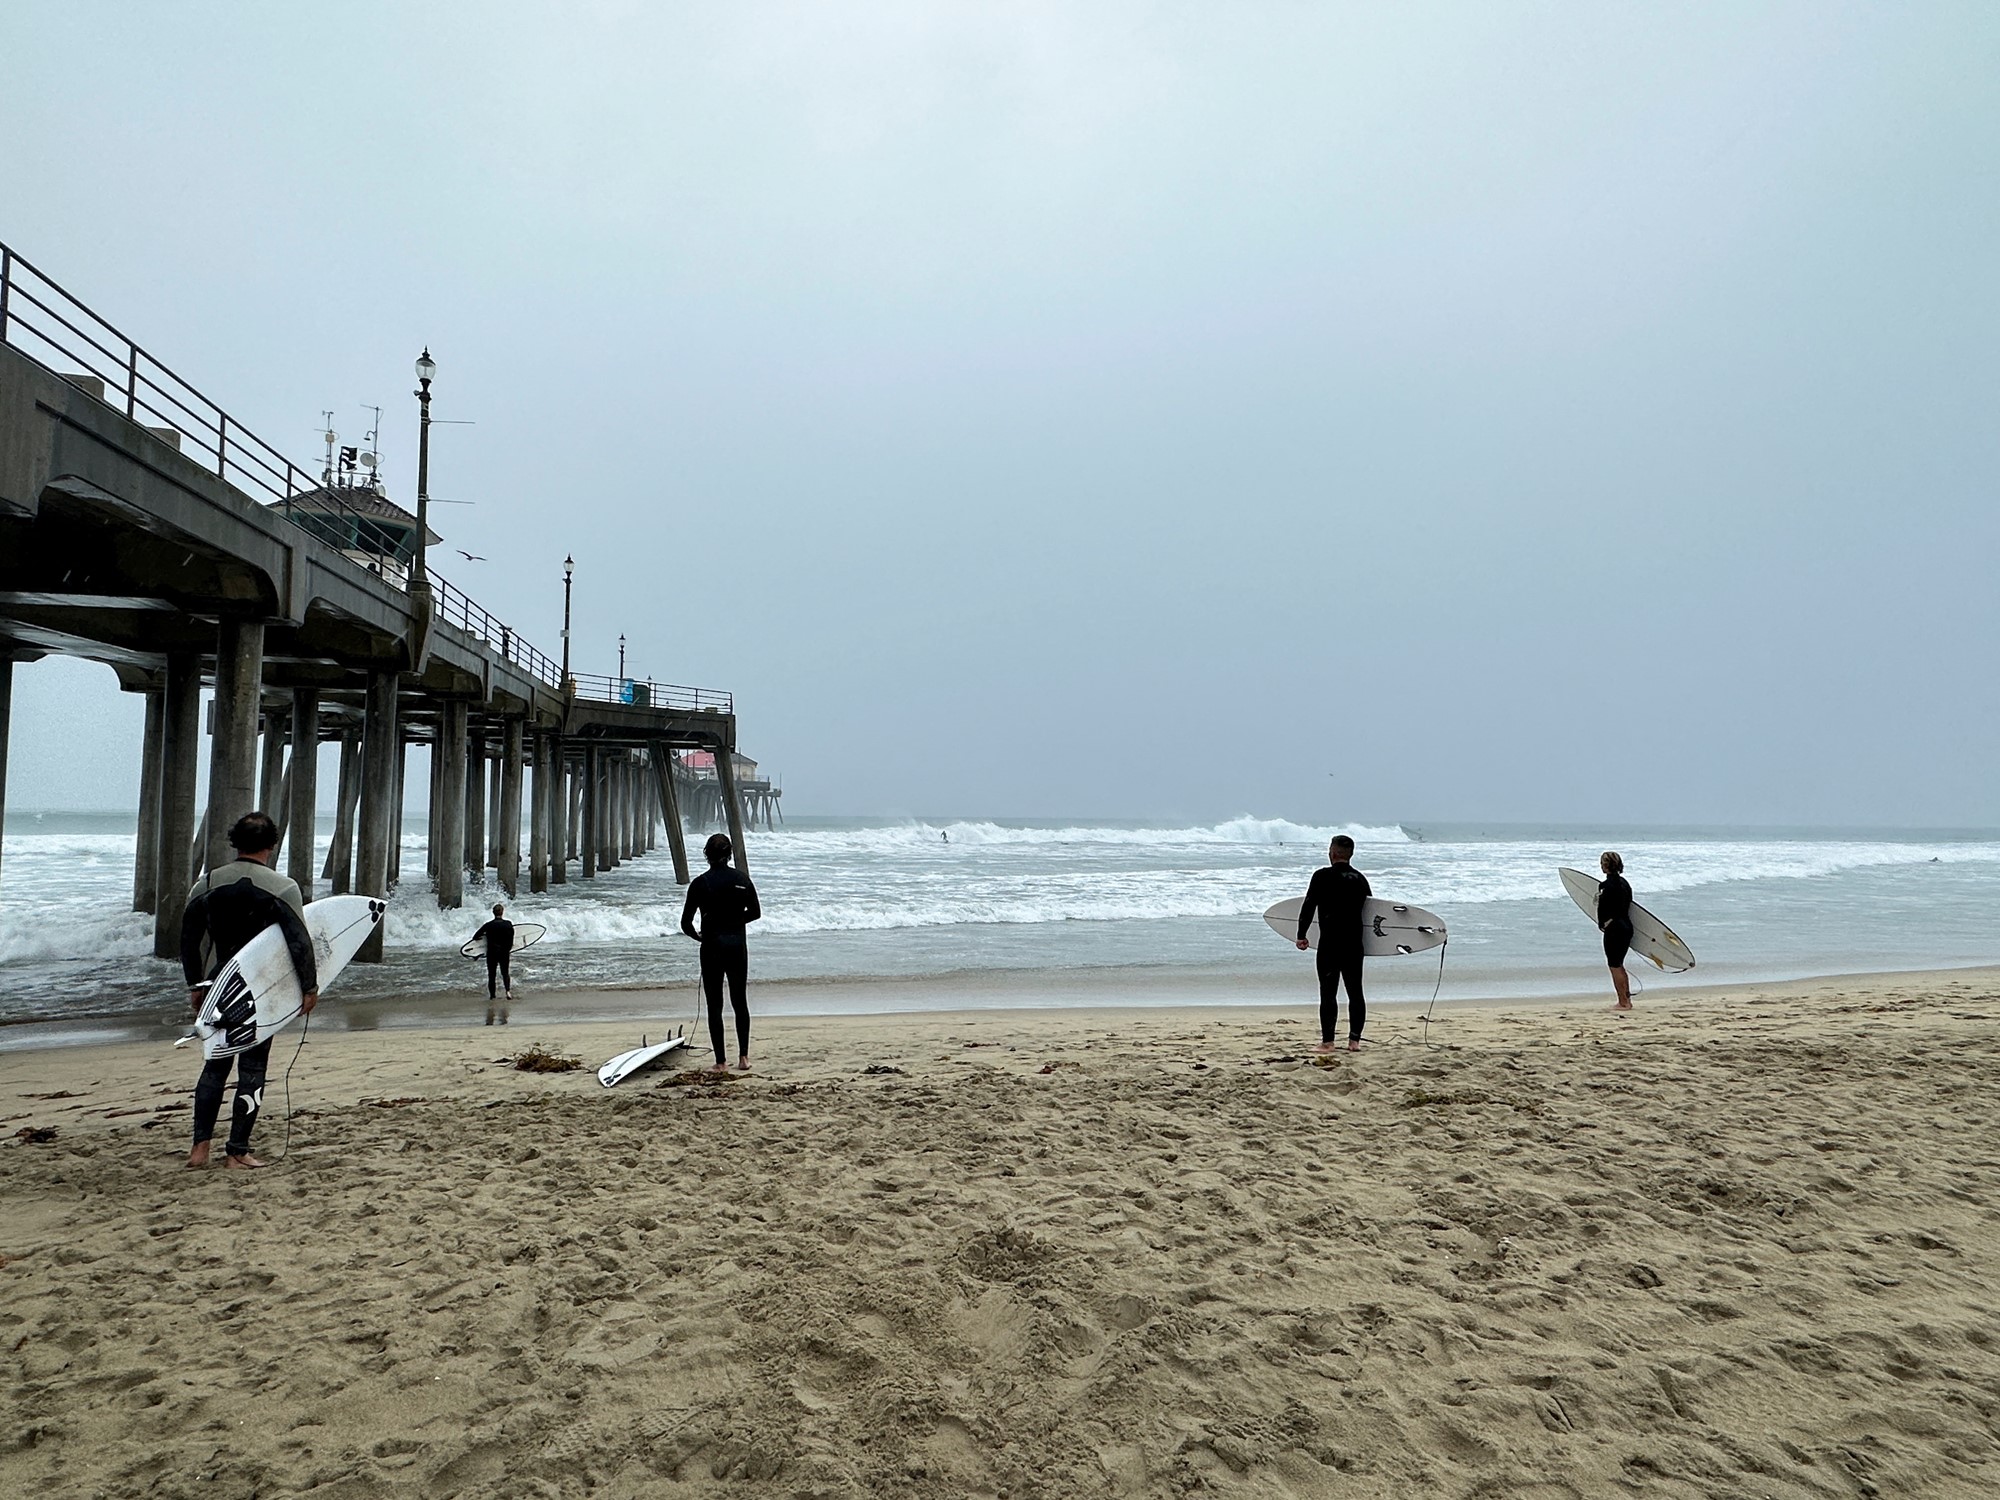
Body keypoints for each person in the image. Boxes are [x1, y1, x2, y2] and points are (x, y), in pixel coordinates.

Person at [179, 811, 317, 1170]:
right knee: (252, 1068)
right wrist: (309, 987)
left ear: (234, 842)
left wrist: (196, 985)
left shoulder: (207, 884)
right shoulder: (282, 888)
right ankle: (237, 1151)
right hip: (258, 990)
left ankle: (199, 1149)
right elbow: (299, 941)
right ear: (272, 845)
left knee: (214, 1065)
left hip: (217, 984)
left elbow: (188, 940)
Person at [680, 832, 761, 1070]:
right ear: (729, 854)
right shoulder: (742, 879)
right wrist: (735, 922)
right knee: (739, 1002)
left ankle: (721, 1062)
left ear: (707, 855)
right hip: (737, 946)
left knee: (714, 1005)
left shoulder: (700, 883)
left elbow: (686, 923)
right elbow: (756, 913)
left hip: (712, 948)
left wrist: (700, 936)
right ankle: (744, 1058)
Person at [1295, 834, 1372, 1053]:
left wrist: (1301, 935)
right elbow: (1372, 913)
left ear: (1333, 853)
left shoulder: (1321, 877)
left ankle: (1328, 1042)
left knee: (1328, 993)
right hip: (1354, 945)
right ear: (1350, 854)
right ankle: (1354, 1042)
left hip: (1330, 944)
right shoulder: (1359, 879)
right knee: (1355, 992)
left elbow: (1308, 906)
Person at [1597, 850, 1635, 1010]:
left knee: (1614, 965)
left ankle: (1623, 1003)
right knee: (1619, 964)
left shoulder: (1607, 886)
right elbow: (1627, 905)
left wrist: (1605, 923)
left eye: (1602, 863)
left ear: (1605, 866)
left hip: (1615, 929)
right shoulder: (1624, 883)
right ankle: (1627, 1000)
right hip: (1627, 927)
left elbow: (1607, 909)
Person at [471, 902, 516, 1012]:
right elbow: (512, 938)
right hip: (504, 952)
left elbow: (475, 936)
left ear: (493, 913)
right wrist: (508, 949)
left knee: (492, 975)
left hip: (492, 953)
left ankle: (492, 996)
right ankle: (508, 992)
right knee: (505, 973)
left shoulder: (488, 925)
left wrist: (485, 936)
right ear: (502, 912)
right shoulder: (508, 924)